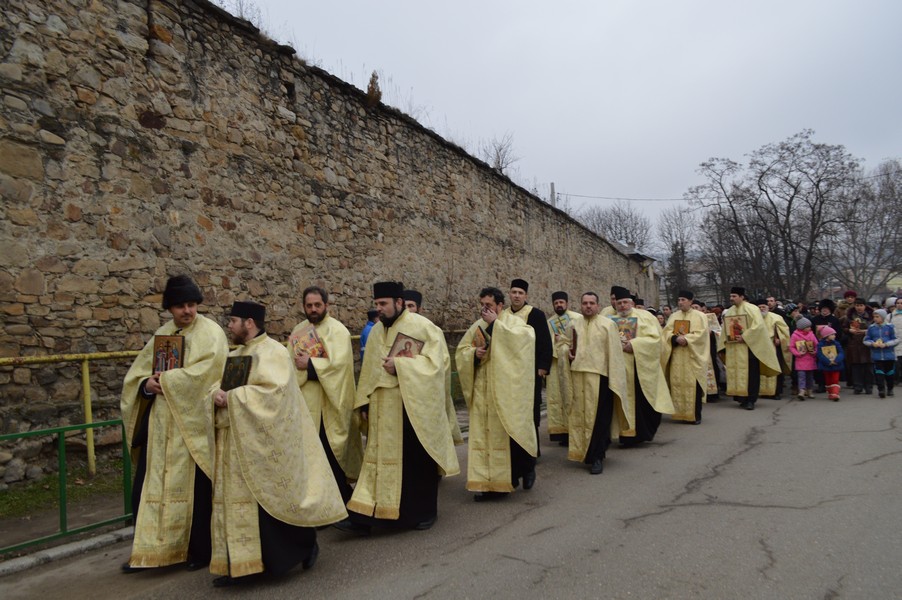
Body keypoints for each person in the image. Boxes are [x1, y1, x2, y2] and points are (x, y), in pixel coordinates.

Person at [209, 301, 346, 587]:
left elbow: (274, 394)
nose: (229, 326)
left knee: (273, 503)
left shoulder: (272, 352)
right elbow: (223, 384)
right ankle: (243, 565)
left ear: (249, 322)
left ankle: (300, 548)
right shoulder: (238, 353)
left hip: (266, 442)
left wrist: (231, 398)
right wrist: (216, 394)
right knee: (245, 506)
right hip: (238, 443)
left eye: (233, 321)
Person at [120, 275, 228, 573]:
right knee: (147, 489)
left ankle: (197, 551)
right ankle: (150, 550)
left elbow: (207, 373)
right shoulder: (162, 334)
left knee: (196, 494)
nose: (187, 311)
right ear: (170, 308)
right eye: (180, 306)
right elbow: (136, 376)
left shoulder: (212, 333)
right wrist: (146, 385)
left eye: (192, 305)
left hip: (191, 429)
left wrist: (164, 380)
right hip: (160, 428)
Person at [337, 281, 459, 533]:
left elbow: (439, 366)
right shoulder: (377, 332)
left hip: (412, 406)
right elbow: (369, 370)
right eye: (377, 304)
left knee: (417, 461)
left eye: (383, 304)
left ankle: (424, 513)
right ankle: (371, 513)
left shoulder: (423, 327)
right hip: (382, 408)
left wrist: (402, 366)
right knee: (380, 461)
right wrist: (364, 402)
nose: (379, 309)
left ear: (399, 303)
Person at [457, 287, 538, 499]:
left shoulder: (515, 324)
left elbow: (523, 344)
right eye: (482, 305)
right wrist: (475, 354)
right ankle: (487, 483)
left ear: (500, 306)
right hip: (483, 392)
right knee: (486, 439)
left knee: (512, 435)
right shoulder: (476, 326)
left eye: (489, 306)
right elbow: (461, 352)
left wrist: (495, 325)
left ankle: (525, 469)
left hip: (506, 391)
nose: (485, 309)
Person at [289, 286, 364, 503]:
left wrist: (310, 365)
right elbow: (290, 365)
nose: (313, 309)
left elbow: (339, 367)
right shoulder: (298, 332)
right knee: (312, 458)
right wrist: (300, 366)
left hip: (332, 406)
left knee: (332, 455)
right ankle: (320, 504)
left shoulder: (338, 330)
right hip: (307, 405)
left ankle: (341, 502)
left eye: (317, 305)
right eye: (309, 305)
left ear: (326, 305)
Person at [567, 292, 627, 474]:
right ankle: (583, 451)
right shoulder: (573, 324)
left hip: (600, 377)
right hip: (577, 376)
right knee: (580, 416)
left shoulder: (608, 325)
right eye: (585, 303)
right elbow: (563, 343)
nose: (588, 306)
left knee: (599, 419)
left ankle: (597, 456)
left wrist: (613, 379)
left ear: (598, 306)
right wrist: (566, 352)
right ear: (580, 305)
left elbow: (615, 354)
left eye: (592, 303)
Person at [609, 286, 674, 443]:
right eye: (619, 303)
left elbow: (656, 339)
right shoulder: (609, 319)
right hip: (620, 368)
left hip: (642, 367)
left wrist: (635, 345)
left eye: (625, 302)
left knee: (643, 402)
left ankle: (644, 433)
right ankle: (626, 435)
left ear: (631, 303)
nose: (622, 306)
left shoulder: (645, 317)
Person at [501, 279, 552, 454]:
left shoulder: (535, 314)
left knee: (530, 409)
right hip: (507, 371)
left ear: (526, 295)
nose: (516, 296)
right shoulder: (503, 314)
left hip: (531, 371)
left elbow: (545, 342)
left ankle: (532, 448)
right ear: (509, 294)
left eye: (520, 293)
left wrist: (543, 367)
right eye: (514, 292)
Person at [722, 287, 781, 410]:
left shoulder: (752, 309)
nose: (731, 299)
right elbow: (725, 328)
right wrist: (726, 339)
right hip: (735, 348)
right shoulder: (729, 311)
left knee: (751, 375)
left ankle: (751, 400)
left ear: (742, 297)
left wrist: (745, 337)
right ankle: (741, 398)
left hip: (750, 348)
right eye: (731, 296)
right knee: (737, 373)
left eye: (734, 296)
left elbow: (758, 326)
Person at [661, 291, 710, 424]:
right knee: (677, 383)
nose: (680, 302)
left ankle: (695, 415)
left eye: (683, 299)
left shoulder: (700, 316)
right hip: (677, 355)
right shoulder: (674, 316)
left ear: (690, 301)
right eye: (679, 300)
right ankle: (679, 414)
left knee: (692, 385)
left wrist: (687, 339)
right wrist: (675, 338)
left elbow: (702, 334)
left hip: (692, 356)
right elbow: (666, 333)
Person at [546, 291, 581, 446]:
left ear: (567, 303)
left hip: (574, 364)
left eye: (561, 302)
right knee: (558, 398)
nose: (559, 305)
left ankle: (576, 430)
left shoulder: (577, 318)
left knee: (574, 396)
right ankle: (563, 433)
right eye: (556, 303)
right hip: (556, 365)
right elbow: (546, 344)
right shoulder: (549, 322)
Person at [757, 298, 792, 399]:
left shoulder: (776, 317)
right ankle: (762, 391)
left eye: (764, 307)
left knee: (776, 368)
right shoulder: (754, 318)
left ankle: (776, 392)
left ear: (768, 307)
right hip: (760, 347)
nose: (762, 309)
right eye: (759, 307)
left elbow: (784, 330)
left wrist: (780, 338)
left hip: (773, 347)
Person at [863, 309, 898, 398]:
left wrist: (886, 344)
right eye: (874, 317)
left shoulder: (890, 327)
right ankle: (881, 390)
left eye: (877, 317)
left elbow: (896, 339)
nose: (875, 318)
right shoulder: (871, 328)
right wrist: (872, 343)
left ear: (883, 317)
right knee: (879, 373)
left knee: (889, 373)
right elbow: (866, 340)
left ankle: (890, 389)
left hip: (889, 355)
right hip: (877, 355)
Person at [842, 298, 874, 394]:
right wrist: (849, 330)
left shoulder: (871, 316)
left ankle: (869, 387)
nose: (859, 307)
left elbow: (876, 328)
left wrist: (866, 331)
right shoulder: (849, 316)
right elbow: (843, 328)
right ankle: (858, 386)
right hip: (854, 344)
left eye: (861, 305)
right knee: (856, 367)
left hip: (867, 343)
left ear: (865, 306)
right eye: (857, 305)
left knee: (868, 367)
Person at [789, 317, 818, 400]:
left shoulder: (812, 334)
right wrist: (798, 353)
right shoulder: (795, 335)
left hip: (810, 359)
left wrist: (815, 352)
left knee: (810, 376)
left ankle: (809, 390)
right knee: (801, 376)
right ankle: (802, 390)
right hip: (800, 360)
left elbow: (817, 345)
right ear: (802, 328)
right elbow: (791, 347)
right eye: (808, 327)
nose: (810, 328)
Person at [816, 326, 845, 401]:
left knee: (835, 379)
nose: (834, 336)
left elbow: (841, 352)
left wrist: (836, 360)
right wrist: (828, 361)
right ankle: (830, 393)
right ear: (826, 336)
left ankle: (835, 394)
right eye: (832, 334)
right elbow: (820, 354)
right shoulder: (820, 344)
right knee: (828, 380)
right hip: (826, 365)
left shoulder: (836, 343)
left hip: (836, 364)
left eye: (834, 334)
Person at [892, 298, 902, 386]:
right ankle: (896, 379)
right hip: (895, 343)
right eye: (898, 303)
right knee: (896, 363)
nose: (899, 305)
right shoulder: (890, 316)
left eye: (901, 303)